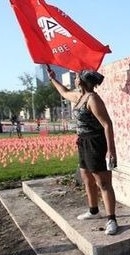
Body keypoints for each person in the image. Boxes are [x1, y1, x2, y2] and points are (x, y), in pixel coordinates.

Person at [47, 67, 119, 235]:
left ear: (82, 81)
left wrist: (111, 150)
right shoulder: (80, 97)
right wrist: (52, 79)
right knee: (87, 179)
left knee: (104, 183)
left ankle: (112, 220)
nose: (74, 79)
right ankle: (93, 211)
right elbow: (64, 92)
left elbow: (107, 124)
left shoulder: (93, 99)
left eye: (76, 77)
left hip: (96, 143)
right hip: (83, 142)